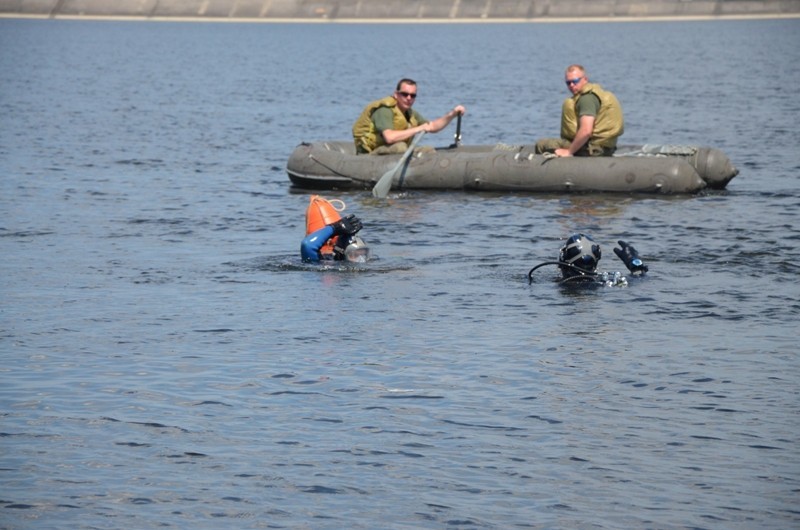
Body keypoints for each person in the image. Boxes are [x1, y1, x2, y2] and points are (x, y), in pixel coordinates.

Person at [352, 78, 466, 155]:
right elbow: (389, 137)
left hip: (395, 152)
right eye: (405, 94)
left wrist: (452, 114)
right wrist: (417, 129)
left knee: (428, 150)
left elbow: (431, 126)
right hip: (371, 154)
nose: (409, 98)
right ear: (396, 95)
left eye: (413, 95)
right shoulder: (384, 110)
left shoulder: (410, 113)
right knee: (400, 147)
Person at [535, 65, 624, 158]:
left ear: (585, 79)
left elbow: (586, 131)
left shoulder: (586, 99)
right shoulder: (597, 93)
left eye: (575, 81)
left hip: (592, 150)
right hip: (605, 147)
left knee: (542, 144)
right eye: (568, 83)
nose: (571, 85)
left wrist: (569, 151)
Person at [527, 233, 648, 285]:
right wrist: (635, 264)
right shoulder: (605, 282)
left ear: (562, 261)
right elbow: (640, 279)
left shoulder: (553, 284)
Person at [300, 195, 371, 263]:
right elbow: (307, 245)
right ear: (341, 255)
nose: (361, 259)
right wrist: (335, 228)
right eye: (355, 255)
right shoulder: (323, 262)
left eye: (364, 254)